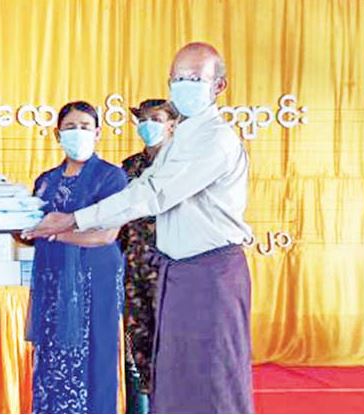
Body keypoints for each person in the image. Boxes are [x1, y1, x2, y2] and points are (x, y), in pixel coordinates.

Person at [24, 42, 254, 413]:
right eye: (178, 78)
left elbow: (153, 195)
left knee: (213, 380)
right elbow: (144, 186)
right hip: (176, 272)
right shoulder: (183, 138)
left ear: (219, 86)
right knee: (175, 381)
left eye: (195, 78)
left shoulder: (215, 140)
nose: (184, 86)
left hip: (209, 273)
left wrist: (72, 219)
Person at [26, 101, 127, 414]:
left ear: (97, 133)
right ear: (58, 134)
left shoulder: (111, 177)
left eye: (85, 127)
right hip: (53, 281)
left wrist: (54, 233)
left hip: (95, 281)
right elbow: (31, 225)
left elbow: (107, 234)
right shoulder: (46, 180)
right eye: (70, 127)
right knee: (52, 356)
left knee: (95, 356)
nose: (78, 132)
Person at [120, 99, 179, 413]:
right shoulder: (129, 167)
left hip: (173, 271)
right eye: (142, 119)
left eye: (155, 119)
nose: (147, 125)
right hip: (133, 268)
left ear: (172, 124)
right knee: (136, 348)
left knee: (173, 346)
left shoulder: (184, 166)